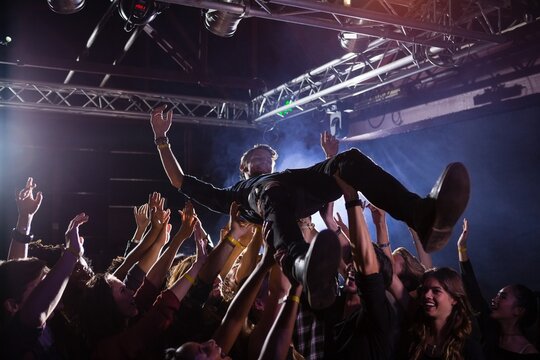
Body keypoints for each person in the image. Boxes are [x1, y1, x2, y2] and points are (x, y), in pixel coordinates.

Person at [150, 105, 470, 310]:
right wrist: (162, 138)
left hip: (298, 193)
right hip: (270, 207)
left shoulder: (283, 175)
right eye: (257, 157)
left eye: (268, 157)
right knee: (272, 195)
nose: (264, 158)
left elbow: (314, 182)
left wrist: (330, 160)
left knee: (348, 161)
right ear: (244, 165)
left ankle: (423, 216)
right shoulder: (234, 193)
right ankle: (303, 266)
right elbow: (180, 181)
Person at [457, 219, 539, 359]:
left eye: (503, 296)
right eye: (497, 295)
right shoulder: (490, 328)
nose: (494, 299)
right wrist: (461, 247)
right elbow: (472, 290)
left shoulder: (528, 352)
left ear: (518, 310)